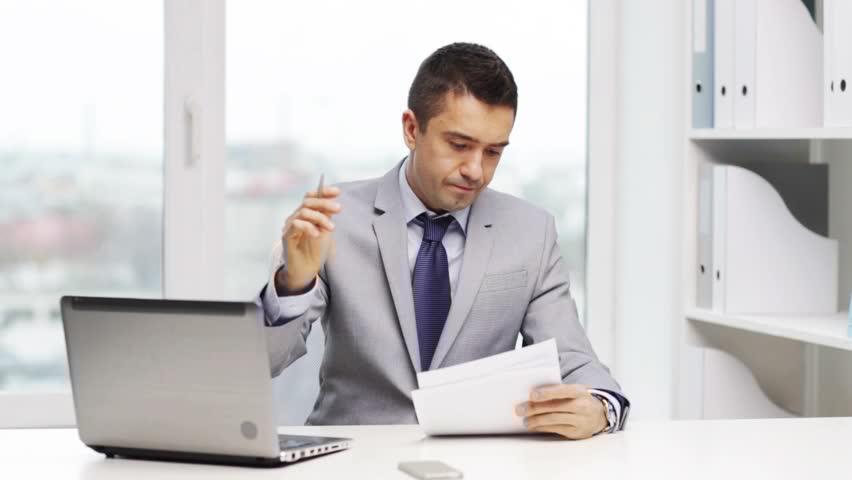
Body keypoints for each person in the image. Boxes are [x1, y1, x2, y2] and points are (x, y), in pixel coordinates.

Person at [257, 42, 629, 439]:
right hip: (351, 455)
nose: (476, 171)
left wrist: (601, 408)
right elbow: (263, 362)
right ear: (411, 129)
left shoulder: (530, 233)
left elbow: (573, 358)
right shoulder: (333, 217)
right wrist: (292, 283)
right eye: (459, 145)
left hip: (477, 459)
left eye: (493, 152)